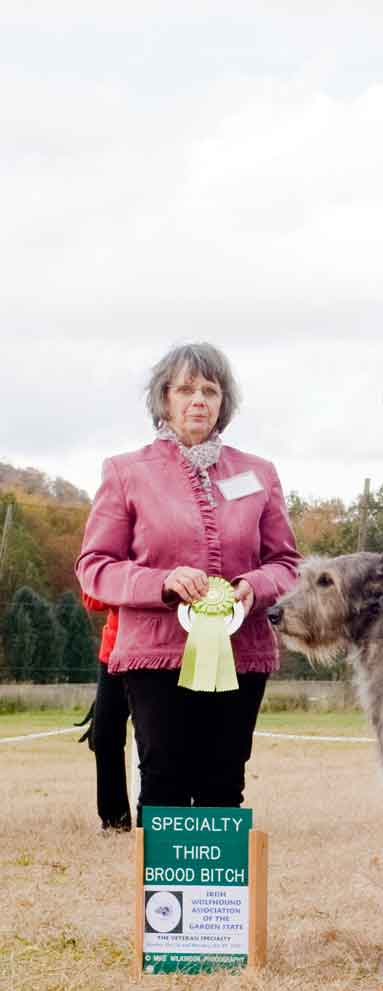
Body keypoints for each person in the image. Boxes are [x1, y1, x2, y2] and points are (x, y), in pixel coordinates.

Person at [76, 344, 300, 822]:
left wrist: (253, 586)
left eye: (210, 390)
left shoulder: (259, 473)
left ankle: (218, 900)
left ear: (224, 403)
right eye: (185, 389)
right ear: (164, 399)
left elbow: (286, 564)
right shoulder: (125, 471)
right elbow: (95, 566)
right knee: (165, 782)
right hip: (155, 654)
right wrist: (163, 581)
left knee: (224, 783)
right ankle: (164, 900)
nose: (198, 400)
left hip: (243, 654)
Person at [78, 595, 131, 832]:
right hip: (114, 652)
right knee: (103, 736)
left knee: (160, 740)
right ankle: (114, 822)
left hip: (161, 650)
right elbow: (92, 598)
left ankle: (163, 820)